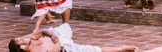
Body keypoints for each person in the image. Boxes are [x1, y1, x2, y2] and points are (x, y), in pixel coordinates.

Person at [9, 23, 138, 52]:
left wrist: (52, 35)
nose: (22, 38)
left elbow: (43, 31)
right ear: (22, 47)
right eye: (20, 40)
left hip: (58, 36)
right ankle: (123, 48)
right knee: (95, 50)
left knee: (66, 27)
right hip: (66, 48)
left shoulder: (31, 38)